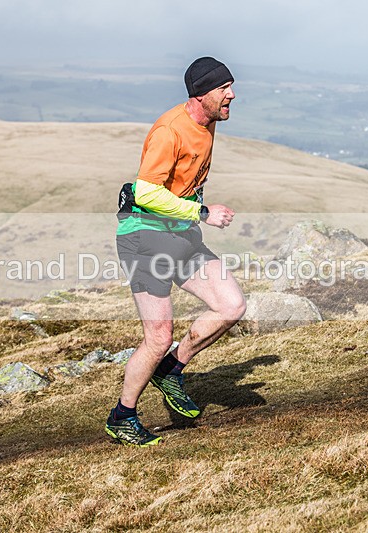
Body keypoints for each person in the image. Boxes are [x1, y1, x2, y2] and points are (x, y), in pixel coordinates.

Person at [105, 57, 247, 446]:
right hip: (144, 237)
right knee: (158, 335)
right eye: (224, 89)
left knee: (231, 305)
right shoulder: (169, 131)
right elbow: (146, 192)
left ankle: (170, 369)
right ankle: (122, 416)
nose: (232, 95)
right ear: (201, 94)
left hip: (179, 233)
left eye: (231, 86)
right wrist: (202, 212)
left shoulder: (209, 120)